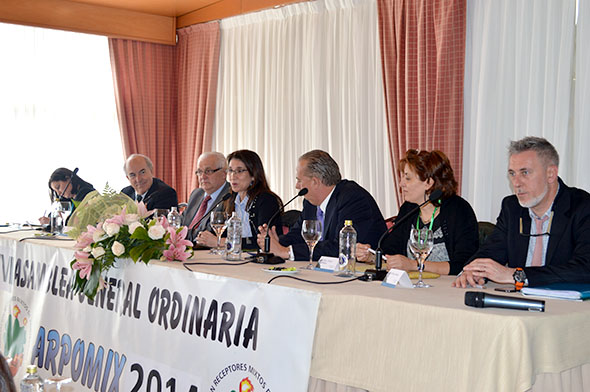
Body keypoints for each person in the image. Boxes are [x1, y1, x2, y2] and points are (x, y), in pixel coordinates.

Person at [453, 136, 590, 288]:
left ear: (551, 174)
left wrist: (517, 275)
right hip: (519, 301)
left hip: (565, 305)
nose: (516, 183)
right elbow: (491, 251)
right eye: (512, 173)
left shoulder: (582, 206)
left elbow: (585, 268)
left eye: (525, 173)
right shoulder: (511, 207)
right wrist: (472, 271)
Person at [357, 150, 479, 275]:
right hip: (412, 287)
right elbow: (390, 249)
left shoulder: (459, 210)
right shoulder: (409, 209)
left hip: (447, 289)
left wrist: (415, 265)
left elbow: (464, 264)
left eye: (408, 178)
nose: (401, 184)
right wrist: (371, 256)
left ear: (428, 183)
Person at [258, 149, 386, 260]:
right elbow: (299, 234)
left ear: (315, 182)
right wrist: (275, 243)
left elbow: (340, 246)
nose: (297, 186)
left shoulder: (352, 198)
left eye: (299, 180)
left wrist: (285, 252)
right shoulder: (310, 202)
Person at [196, 150, 283, 250]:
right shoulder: (229, 199)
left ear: (253, 175)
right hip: (234, 258)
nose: (233, 176)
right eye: (231, 171)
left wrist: (220, 242)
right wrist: (204, 238)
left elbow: (262, 242)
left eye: (240, 171)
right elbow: (216, 233)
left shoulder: (266, 200)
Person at [181, 152, 231, 242]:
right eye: (199, 172)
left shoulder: (230, 196)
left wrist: (183, 235)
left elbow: (208, 234)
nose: (203, 177)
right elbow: (181, 224)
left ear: (223, 174)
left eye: (208, 171)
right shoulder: (196, 194)